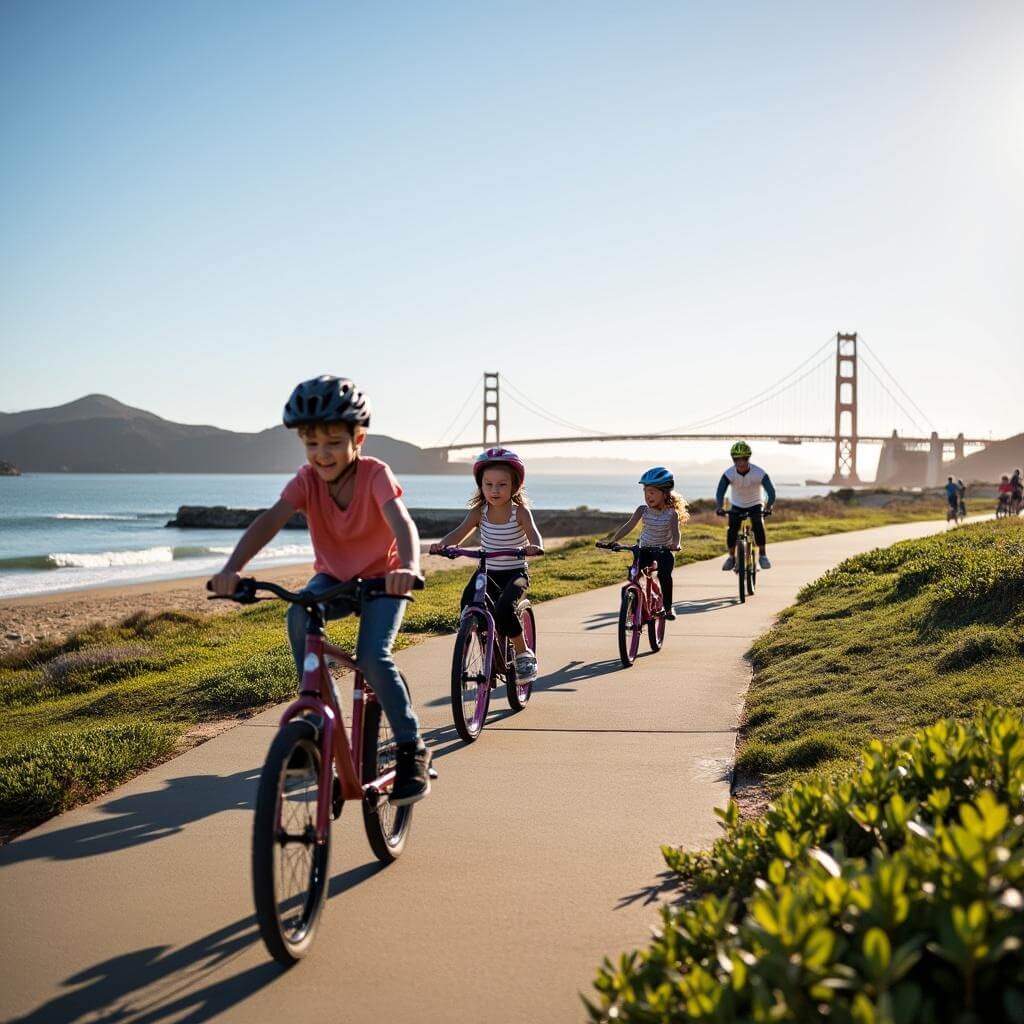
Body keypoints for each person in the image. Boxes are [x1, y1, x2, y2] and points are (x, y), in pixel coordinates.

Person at [208, 376, 432, 805]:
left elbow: (401, 521)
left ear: (358, 439)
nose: (321, 454)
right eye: (311, 444)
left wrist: (407, 566)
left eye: (332, 442)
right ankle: (313, 716)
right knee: (298, 614)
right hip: (333, 579)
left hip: (383, 579)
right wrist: (232, 569)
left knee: (372, 656)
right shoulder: (306, 480)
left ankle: (411, 749)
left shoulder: (375, 474)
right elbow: (269, 521)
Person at [429, 447, 544, 680]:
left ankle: (523, 654)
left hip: (516, 573)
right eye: (488, 484)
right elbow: (459, 532)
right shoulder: (479, 512)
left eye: (502, 484)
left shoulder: (519, 512)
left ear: (515, 486)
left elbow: (534, 534)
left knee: (503, 608)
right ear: (481, 486)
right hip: (487, 571)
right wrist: (442, 545)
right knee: (468, 603)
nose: (494, 490)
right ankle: (480, 643)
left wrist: (534, 546)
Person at [600, 467, 687, 620]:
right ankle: (634, 608)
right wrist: (614, 540)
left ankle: (667, 608)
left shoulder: (671, 513)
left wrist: (676, 544)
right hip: (644, 549)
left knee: (665, 576)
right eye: (645, 491)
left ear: (665, 493)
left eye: (652, 492)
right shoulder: (642, 510)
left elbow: (675, 532)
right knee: (633, 576)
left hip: (663, 551)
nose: (648, 496)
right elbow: (629, 525)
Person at [715, 441, 776, 571]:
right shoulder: (729, 474)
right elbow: (720, 492)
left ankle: (763, 555)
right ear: (733, 459)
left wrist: (768, 506)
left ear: (748, 458)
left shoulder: (758, 473)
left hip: (755, 504)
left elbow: (771, 491)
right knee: (732, 528)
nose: (741, 462)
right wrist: (720, 507)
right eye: (737, 459)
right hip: (737, 505)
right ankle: (731, 557)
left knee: (758, 522)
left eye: (744, 459)